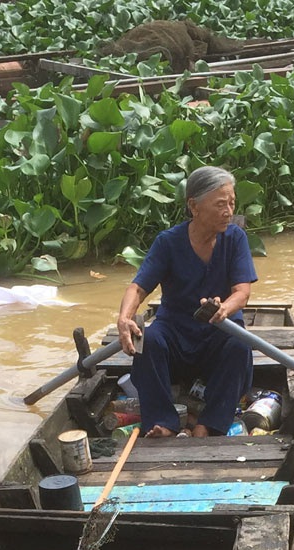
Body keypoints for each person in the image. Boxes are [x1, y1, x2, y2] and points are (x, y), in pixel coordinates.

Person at [116, 166, 258, 438]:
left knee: (240, 345)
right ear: (194, 205)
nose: (229, 211)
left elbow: (242, 292)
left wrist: (224, 309)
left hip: (219, 332)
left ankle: (209, 423)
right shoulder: (168, 242)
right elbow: (138, 287)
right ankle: (163, 422)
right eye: (220, 205)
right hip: (176, 335)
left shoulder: (235, 238)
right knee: (150, 340)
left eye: (232, 203)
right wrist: (124, 318)